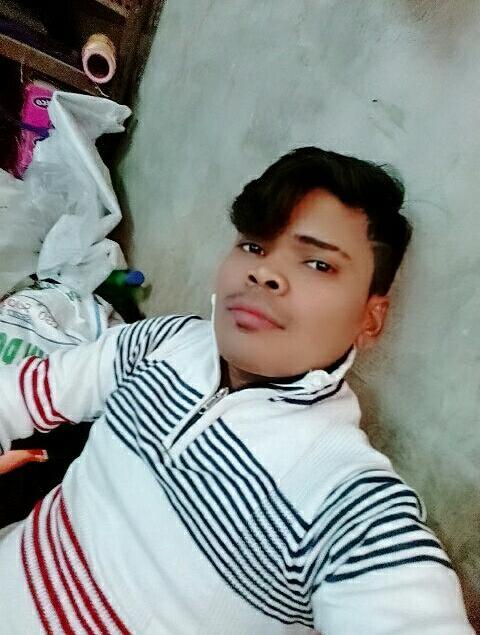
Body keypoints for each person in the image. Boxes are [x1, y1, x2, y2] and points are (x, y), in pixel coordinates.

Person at [0, 147, 474, 634]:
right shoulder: (160, 343)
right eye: (254, 245)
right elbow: (17, 396)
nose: (263, 272)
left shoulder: (344, 503)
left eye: (318, 264)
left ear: (371, 318)